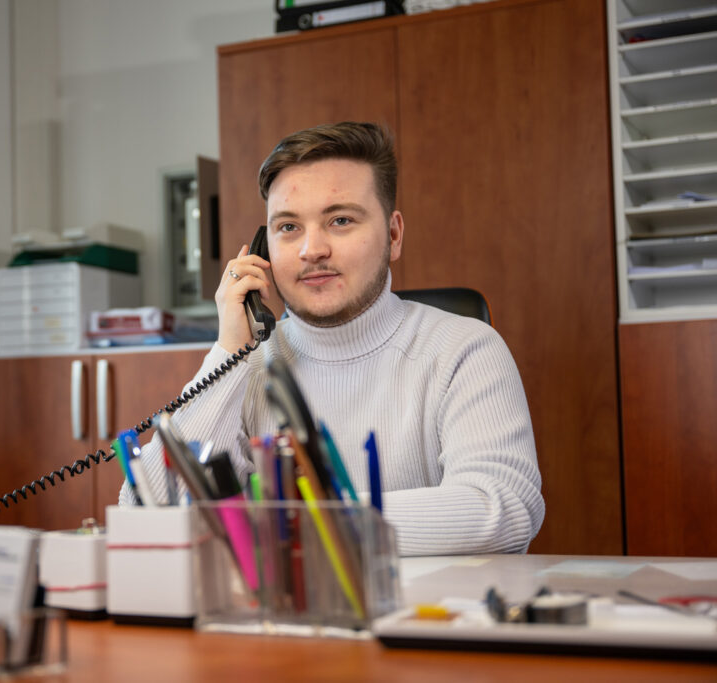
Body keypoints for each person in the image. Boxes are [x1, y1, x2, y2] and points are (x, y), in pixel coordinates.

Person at [120, 122, 544, 556]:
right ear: (262, 250)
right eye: (288, 227)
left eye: (340, 220)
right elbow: (149, 511)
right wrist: (227, 352)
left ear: (394, 235)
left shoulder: (464, 348)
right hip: (276, 621)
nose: (312, 250)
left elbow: (502, 510)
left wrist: (294, 524)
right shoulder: (244, 365)